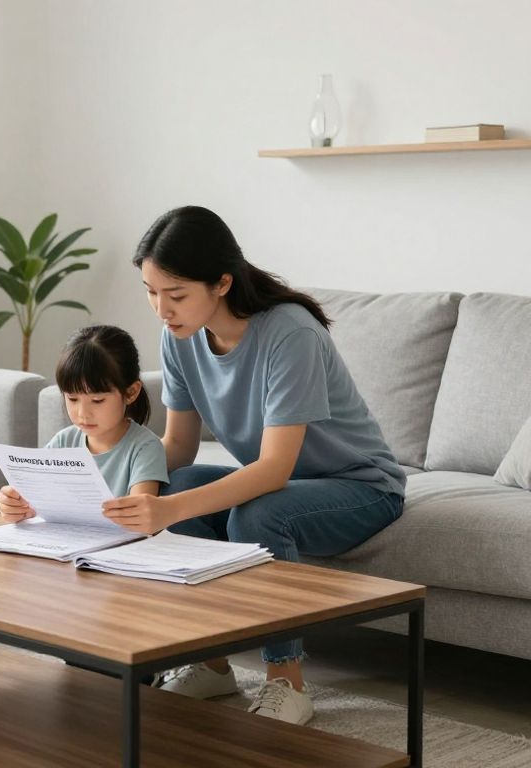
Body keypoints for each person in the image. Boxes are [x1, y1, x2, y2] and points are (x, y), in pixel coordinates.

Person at [100, 205, 406, 726]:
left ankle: (287, 683)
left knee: (258, 515)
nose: (160, 308)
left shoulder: (290, 333)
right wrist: (115, 490)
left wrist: (165, 508)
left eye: (174, 295)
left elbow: (273, 472)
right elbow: (177, 448)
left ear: (221, 282)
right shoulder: (179, 338)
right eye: (151, 292)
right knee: (180, 483)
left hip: (359, 486)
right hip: (280, 485)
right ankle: (213, 664)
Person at [0, 325, 168, 520]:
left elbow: (139, 517)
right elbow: (33, 502)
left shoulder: (145, 448)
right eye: (72, 399)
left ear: (130, 392)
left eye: (97, 401)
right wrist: (15, 507)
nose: (83, 413)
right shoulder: (63, 441)